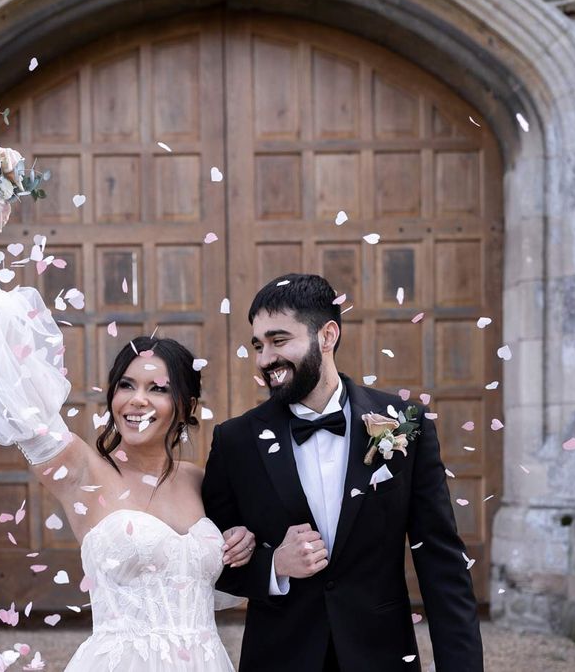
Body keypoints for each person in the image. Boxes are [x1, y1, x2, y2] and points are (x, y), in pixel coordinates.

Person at [0, 207, 255, 671]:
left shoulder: (202, 481)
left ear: (184, 408)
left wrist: (243, 542)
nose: (137, 400)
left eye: (157, 389)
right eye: (127, 385)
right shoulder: (82, 471)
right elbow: (15, 389)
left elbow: (224, 576)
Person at [202, 273, 484, 672]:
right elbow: (215, 563)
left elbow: (441, 562)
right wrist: (274, 567)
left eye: (279, 341)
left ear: (327, 335)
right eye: (259, 345)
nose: (265, 359)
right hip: (279, 658)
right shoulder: (235, 441)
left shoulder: (405, 424)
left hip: (381, 657)